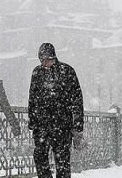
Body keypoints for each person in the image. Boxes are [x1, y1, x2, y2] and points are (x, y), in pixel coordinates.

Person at [28, 42, 84, 178]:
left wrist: (78, 125)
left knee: (62, 161)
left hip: (62, 124)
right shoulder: (37, 72)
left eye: (48, 59)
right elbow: (32, 98)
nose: (45, 63)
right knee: (40, 157)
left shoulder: (67, 71)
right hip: (42, 124)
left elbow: (77, 99)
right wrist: (32, 121)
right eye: (42, 60)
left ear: (54, 57)